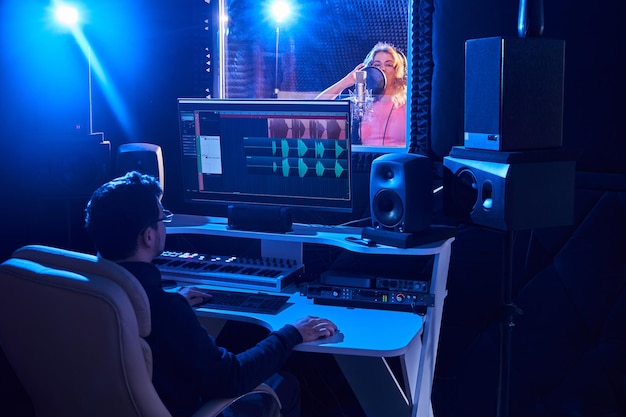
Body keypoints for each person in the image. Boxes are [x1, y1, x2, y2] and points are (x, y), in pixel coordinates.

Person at [84, 171, 338, 417]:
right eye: (163, 219)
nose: (164, 227)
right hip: (187, 407)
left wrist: (175, 303)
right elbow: (232, 377)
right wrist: (291, 334)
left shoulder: (90, 291)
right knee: (286, 385)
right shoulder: (164, 309)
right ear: (148, 236)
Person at [315, 42, 408, 147]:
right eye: (377, 64)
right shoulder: (360, 102)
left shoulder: (406, 103)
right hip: (366, 161)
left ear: (397, 71)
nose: (382, 69)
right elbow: (316, 107)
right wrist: (347, 81)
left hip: (397, 162)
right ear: (370, 70)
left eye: (388, 64)